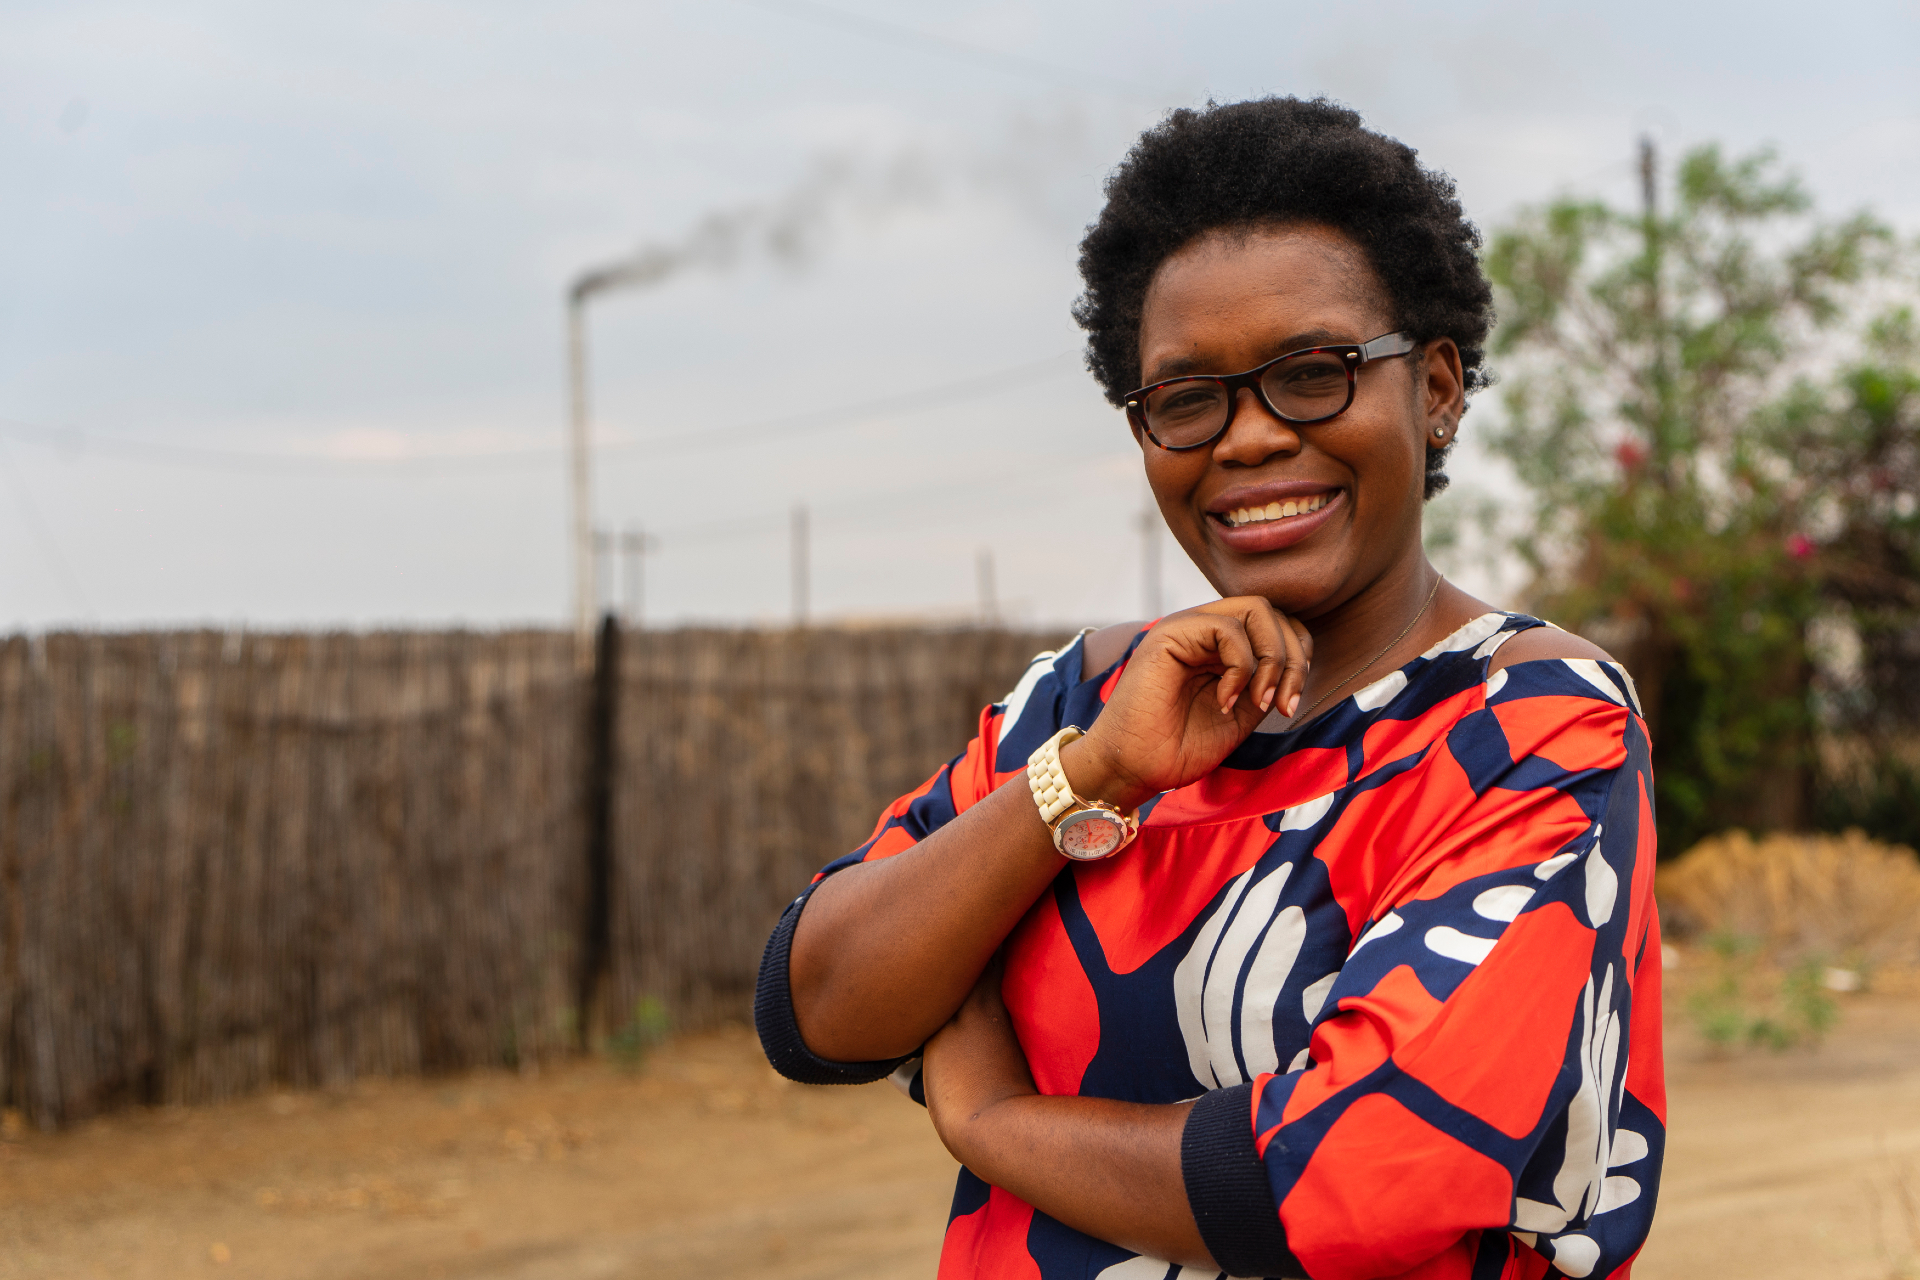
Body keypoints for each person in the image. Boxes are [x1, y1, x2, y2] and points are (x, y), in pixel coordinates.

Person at [755, 97, 1664, 1280]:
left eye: (1312, 372)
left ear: (1435, 387)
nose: (1242, 439)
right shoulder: (1082, 700)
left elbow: (1346, 1175)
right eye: (1187, 397)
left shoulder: (1533, 725)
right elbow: (816, 1007)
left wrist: (990, 1121)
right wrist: (1091, 775)